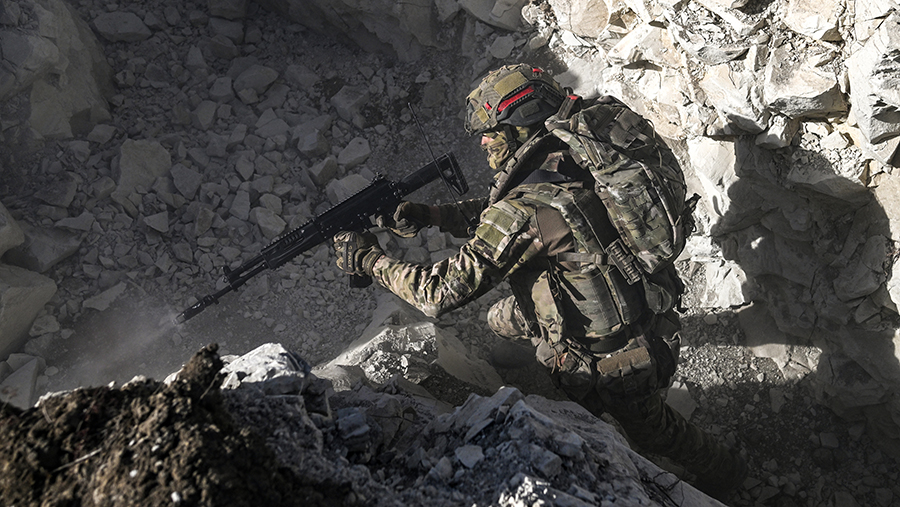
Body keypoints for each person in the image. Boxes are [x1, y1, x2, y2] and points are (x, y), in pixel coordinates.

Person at [332, 64, 747, 500]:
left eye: (491, 133)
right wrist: (432, 215)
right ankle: (534, 354)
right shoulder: (572, 147)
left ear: (518, 127)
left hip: (619, 355)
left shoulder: (525, 211)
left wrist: (367, 259)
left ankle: (728, 471)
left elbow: (435, 293)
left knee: (653, 432)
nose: (483, 142)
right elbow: (511, 216)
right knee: (499, 318)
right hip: (633, 283)